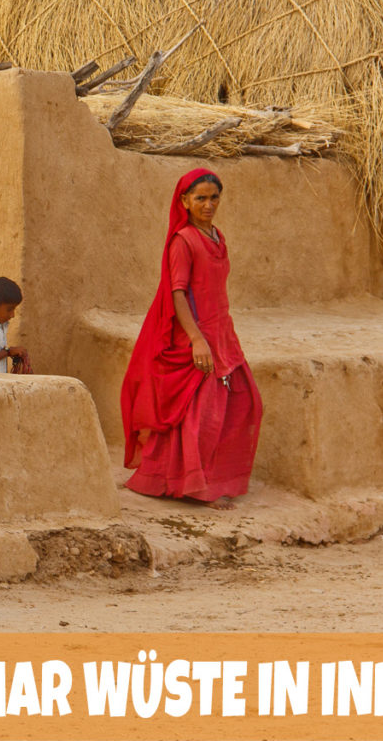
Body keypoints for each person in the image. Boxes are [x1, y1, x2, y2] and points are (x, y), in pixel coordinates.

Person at [121, 168, 262, 509]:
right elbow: (178, 293)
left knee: (245, 405)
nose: (208, 204)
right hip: (195, 337)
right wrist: (197, 340)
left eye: (214, 197)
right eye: (200, 198)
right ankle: (197, 487)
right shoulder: (184, 241)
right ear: (184, 200)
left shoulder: (216, 236)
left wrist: (221, 335)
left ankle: (209, 479)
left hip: (222, 334)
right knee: (203, 414)